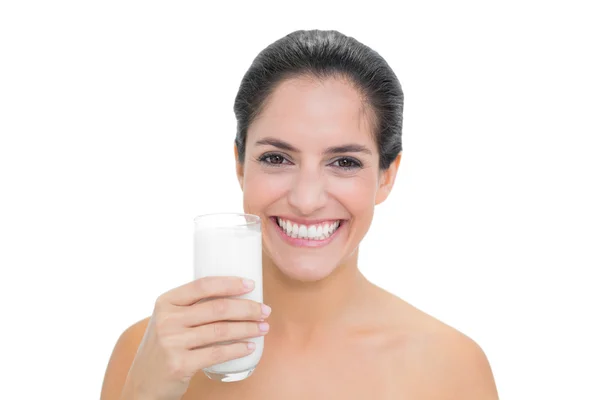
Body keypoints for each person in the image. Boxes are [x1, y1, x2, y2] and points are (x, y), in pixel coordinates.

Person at [101, 29, 499, 399]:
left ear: (386, 177)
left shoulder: (452, 368)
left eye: (344, 162)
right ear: (240, 165)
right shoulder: (151, 353)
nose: (306, 200)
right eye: (277, 158)